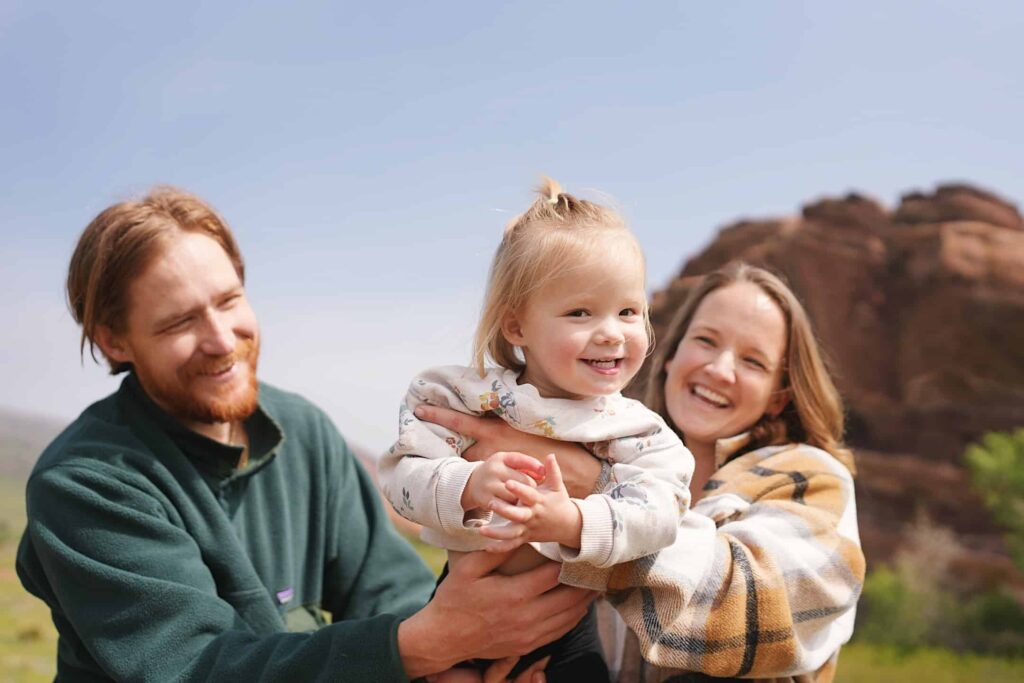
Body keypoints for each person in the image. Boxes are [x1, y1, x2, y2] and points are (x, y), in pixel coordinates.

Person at [15, 187, 593, 682]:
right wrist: (428, 645)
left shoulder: (303, 430)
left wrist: (455, 671)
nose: (221, 338)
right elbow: (197, 667)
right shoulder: (85, 484)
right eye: (179, 321)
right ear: (116, 341)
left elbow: (388, 591)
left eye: (228, 300)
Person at [414, 261, 865, 682]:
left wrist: (597, 490)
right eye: (705, 341)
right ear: (670, 355)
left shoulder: (811, 477)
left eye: (753, 362)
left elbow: (757, 607)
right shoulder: (625, 454)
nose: (719, 369)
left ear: (778, 396)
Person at [379, 178, 694, 681]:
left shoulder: (635, 430)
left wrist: (572, 520)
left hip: (565, 623)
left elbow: (660, 515)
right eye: (580, 312)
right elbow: (400, 480)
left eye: (629, 311)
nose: (612, 331)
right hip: (459, 612)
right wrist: (467, 484)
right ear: (517, 326)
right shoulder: (465, 399)